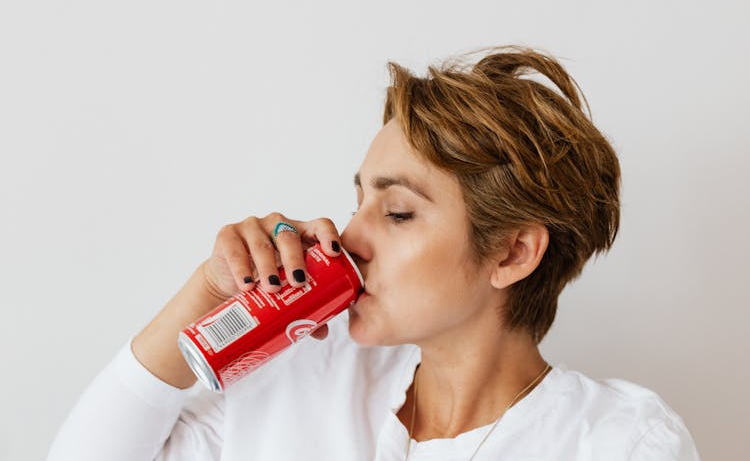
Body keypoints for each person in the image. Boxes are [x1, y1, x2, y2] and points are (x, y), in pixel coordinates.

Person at [47, 45, 700, 461]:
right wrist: (208, 292)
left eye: (397, 212)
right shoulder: (305, 376)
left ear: (512, 253)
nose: (347, 237)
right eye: (357, 200)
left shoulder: (615, 441)